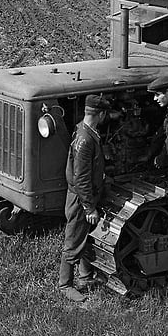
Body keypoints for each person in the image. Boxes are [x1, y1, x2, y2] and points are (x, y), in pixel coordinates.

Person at [58, 94, 110, 302]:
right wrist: (89, 207)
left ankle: (86, 276)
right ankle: (65, 285)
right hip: (81, 198)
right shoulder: (86, 139)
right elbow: (81, 177)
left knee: (84, 235)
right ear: (102, 114)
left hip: (83, 194)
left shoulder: (83, 129)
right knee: (74, 237)